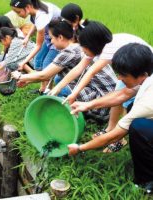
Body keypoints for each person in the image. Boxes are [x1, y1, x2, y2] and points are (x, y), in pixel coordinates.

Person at [48, 21, 153, 152]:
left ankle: (120, 134)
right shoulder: (106, 49)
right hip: (136, 69)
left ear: (92, 44)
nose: (82, 50)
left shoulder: (110, 49)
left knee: (130, 110)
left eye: (83, 47)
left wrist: (80, 148)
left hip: (138, 69)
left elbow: (91, 72)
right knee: (122, 96)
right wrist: (71, 94)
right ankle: (112, 128)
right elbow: (81, 68)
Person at [68, 43, 153, 194]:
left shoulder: (148, 101)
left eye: (123, 75)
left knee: (139, 127)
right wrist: (87, 105)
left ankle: (147, 182)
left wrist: (80, 148)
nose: (119, 78)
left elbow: (113, 136)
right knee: (133, 106)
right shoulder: (147, 76)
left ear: (142, 74)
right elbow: (121, 95)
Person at [12, 20, 116, 119]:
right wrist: (29, 80)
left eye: (52, 38)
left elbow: (44, 75)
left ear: (60, 37)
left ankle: (74, 111)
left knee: (61, 86)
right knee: (58, 79)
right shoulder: (79, 47)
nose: (51, 42)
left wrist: (21, 76)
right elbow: (52, 74)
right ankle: (74, 105)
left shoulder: (70, 52)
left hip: (105, 104)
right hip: (107, 97)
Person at [10, 0, 61, 94]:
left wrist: (24, 62)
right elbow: (35, 23)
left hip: (59, 39)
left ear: (28, 7)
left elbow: (38, 45)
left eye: (18, 12)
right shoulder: (35, 8)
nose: (18, 15)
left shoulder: (41, 16)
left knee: (47, 65)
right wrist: (28, 36)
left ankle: (47, 91)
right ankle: (42, 88)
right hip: (49, 35)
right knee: (38, 59)